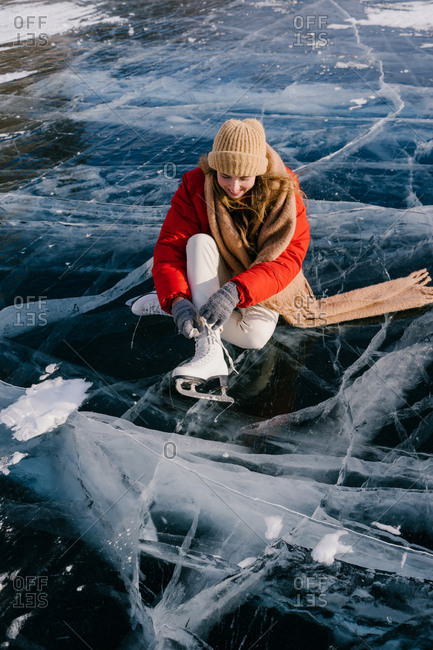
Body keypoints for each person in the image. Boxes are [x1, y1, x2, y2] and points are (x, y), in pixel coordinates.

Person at [129, 118, 310, 401]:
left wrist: (236, 291)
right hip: (216, 263)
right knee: (198, 242)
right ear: (214, 167)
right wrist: (176, 299)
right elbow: (170, 249)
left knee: (254, 338)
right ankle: (210, 353)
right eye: (225, 175)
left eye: (244, 178)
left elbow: (287, 259)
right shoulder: (195, 185)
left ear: (259, 173)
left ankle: (183, 303)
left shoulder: (283, 194)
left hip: (261, 276)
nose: (234, 186)